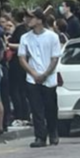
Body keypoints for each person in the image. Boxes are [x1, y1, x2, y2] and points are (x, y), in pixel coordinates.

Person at [19, 12, 63, 148]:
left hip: (49, 78)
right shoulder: (25, 38)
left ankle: (53, 132)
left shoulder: (52, 36)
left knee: (50, 107)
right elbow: (22, 58)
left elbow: (55, 58)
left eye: (31, 18)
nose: (28, 20)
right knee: (36, 108)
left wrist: (45, 74)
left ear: (39, 20)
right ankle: (40, 136)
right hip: (32, 78)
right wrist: (33, 73)